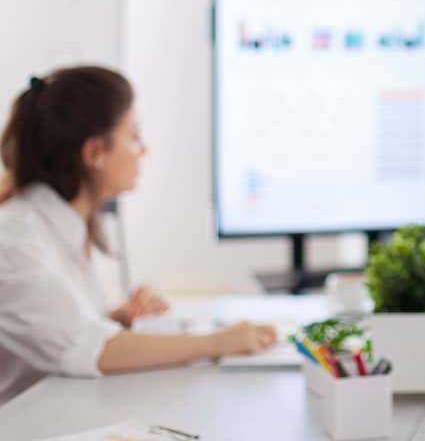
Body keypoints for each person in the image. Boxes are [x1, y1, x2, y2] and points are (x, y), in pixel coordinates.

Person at [0, 67, 277, 405]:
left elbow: (58, 327)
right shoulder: (15, 239)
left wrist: (115, 315)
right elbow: (92, 349)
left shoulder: (58, 223)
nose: (143, 150)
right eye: (133, 135)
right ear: (94, 154)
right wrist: (217, 342)